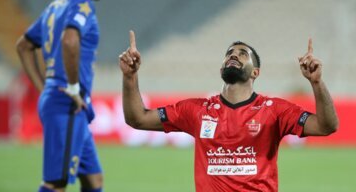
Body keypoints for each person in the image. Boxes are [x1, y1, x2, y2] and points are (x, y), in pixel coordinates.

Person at [119, 31, 339, 192]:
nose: (234, 55)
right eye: (229, 53)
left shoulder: (275, 110)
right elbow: (137, 119)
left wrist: (317, 83)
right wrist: (130, 77)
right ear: (221, 68)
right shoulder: (195, 110)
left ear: (255, 72)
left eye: (243, 54)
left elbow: (327, 126)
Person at [16, 0, 112, 191]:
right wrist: (71, 87)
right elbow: (70, 40)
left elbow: (24, 45)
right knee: (55, 183)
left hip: (64, 101)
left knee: (94, 178)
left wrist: (44, 88)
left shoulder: (56, 5)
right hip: (67, 102)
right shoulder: (82, 6)